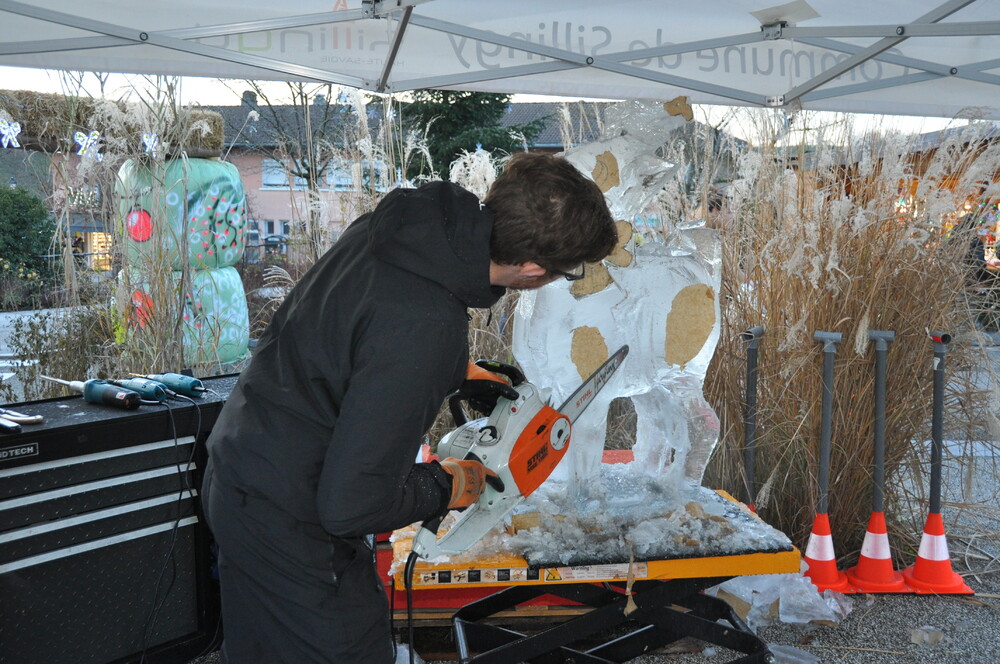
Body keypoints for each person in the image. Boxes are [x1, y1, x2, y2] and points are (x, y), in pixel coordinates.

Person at [201, 152, 618, 664]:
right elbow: (352, 504)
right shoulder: (427, 324)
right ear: (533, 269)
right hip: (289, 518)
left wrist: (451, 368)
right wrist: (451, 484)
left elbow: (356, 327)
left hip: (243, 466)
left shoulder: (397, 230)